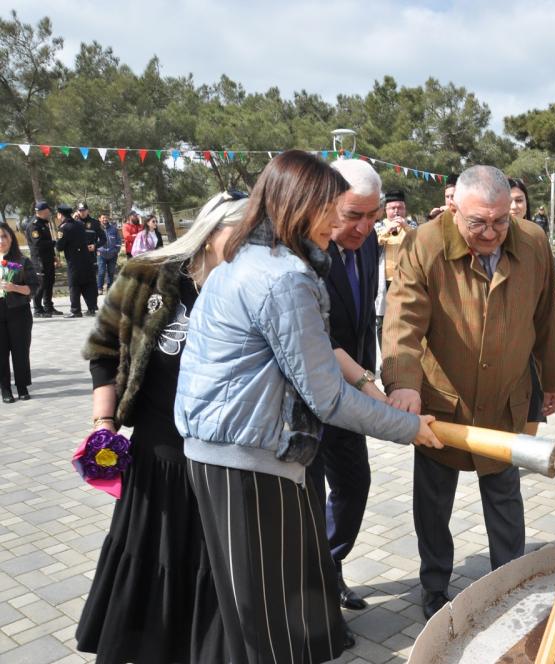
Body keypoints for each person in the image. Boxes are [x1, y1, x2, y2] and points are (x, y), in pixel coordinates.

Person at [174, 150, 442, 664]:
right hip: (248, 460)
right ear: (299, 206)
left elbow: (319, 360)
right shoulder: (284, 278)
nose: (338, 223)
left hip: (228, 450)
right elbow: (326, 397)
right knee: (269, 616)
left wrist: (373, 389)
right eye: (330, 208)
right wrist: (408, 427)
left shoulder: (248, 261)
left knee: (246, 606)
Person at [381, 165, 555, 620]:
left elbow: (546, 317)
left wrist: (553, 379)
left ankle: (509, 585)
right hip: (443, 402)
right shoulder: (424, 244)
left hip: (505, 399)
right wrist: (403, 384)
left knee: (505, 498)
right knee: (433, 504)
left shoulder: (533, 242)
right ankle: (434, 587)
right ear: (453, 208)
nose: (490, 233)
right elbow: (403, 320)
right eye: (477, 223)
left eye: (500, 221)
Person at [75, 191, 250, 664]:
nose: (250, 244)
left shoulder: (252, 285)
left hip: (225, 459)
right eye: (242, 232)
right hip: (159, 457)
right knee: (155, 559)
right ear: (211, 230)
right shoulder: (146, 274)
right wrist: (104, 423)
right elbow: (104, 351)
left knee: (214, 569)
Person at [304, 159, 383, 650]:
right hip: (308, 400)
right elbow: (320, 338)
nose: (364, 228)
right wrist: (369, 386)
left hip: (353, 395)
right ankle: (316, 598)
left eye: (373, 216)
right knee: (310, 497)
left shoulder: (368, 243)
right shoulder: (302, 252)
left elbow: (362, 320)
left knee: (354, 486)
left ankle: (329, 565)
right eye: (354, 215)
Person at [508, 177, 547, 436]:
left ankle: (524, 450)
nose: (514, 206)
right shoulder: (488, 241)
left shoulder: (536, 237)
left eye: (519, 200)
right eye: (509, 201)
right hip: (502, 340)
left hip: (530, 335)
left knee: (533, 403)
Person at [0, 221, 39, 403]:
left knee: (20, 351)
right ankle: (5, 389)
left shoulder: (22, 261)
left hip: (18, 311)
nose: (1, 240)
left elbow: (33, 287)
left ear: (11, 238)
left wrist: (14, 287)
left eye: (4, 236)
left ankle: (22, 386)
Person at [374, 189, 416, 348]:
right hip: (384, 281)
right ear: (386, 210)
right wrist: (387, 230)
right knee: (382, 320)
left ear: (405, 209)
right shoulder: (378, 226)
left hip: (405, 279)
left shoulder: (411, 225)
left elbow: (420, 242)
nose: (396, 211)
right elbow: (372, 245)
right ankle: (385, 353)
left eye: (400, 208)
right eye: (392, 208)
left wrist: (405, 227)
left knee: (405, 318)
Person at [56, 204, 99, 317]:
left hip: (73, 260)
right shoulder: (79, 224)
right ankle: (91, 308)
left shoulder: (64, 227)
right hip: (86, 258)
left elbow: (59, 247)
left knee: (74, 284)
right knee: (86, 283)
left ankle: (75, 310)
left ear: (60, 214)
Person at [26, 201, 61, 318]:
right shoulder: (34, 225)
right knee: (41, 284)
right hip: (39, 260)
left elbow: (47, 243)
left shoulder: (43, 223)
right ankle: (37, 309)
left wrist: (54, 257)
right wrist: (54, 243)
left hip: (48, 258)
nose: (49, 213)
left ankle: (48, 307)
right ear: (40, 212)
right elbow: (38, 244)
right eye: (47, 211)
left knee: (49, 282)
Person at [77, 203, 108, 279]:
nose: (82, 212)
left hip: (91, 257)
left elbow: (104, 239)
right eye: (80, 211)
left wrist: (95, 246)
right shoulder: (74, 223)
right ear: (77, 211)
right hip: (77, 257)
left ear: (87, 211)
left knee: (91, 280)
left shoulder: (95, 223)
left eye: (84, 210)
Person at [96, 212, 122, 294]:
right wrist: (97, 251)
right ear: (99, 219)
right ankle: (99, 288)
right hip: (101, 254)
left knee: (111, 272)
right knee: (101, 272)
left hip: (112, 254)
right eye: (103, 218)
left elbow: (119, 240)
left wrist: (116, 250)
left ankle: (110, 288)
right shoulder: (97, 229)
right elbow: (93, 240)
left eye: (106, 217)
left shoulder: (114, 229)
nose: (105, 219)